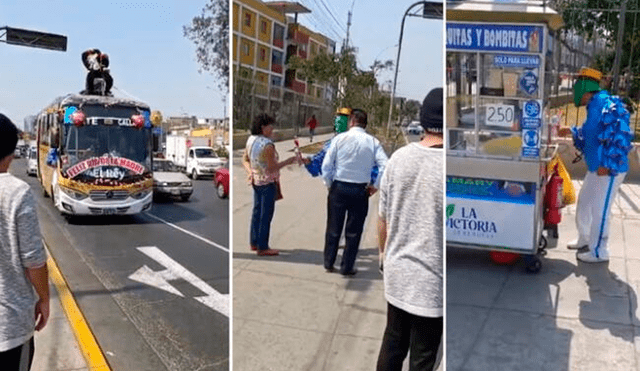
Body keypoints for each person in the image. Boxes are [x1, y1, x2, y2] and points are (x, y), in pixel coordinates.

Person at [376, 88, 443, 371]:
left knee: (393, 343)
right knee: (423, 356)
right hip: (432, 283)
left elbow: (382, 220)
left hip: (397, 273)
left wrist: (383, 255)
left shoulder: (399, 159)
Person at [568, 67, 633, 263]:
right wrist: (571, 132)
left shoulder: (607, 104)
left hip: (608, 170)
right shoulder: (594, 106)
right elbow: (593, 135)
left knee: (600, 209)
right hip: (596, 168)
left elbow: (619, 135)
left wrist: (607, 164)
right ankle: (585, 238)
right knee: (585, 204)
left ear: (585, 89)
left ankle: (599, 251)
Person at [0, 114, 50, 370]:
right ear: (11, 153)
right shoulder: (16, 192)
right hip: (8, 328)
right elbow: (33, 260)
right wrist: (44, 298)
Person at [321, 108, 388, 276]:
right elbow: (385, 165)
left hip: (339, 187)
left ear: (351, 122)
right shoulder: (373, 142)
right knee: (354, 231)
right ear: (365, 124)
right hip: (360, 190)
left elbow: (326, 166)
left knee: (333, 227)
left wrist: (329, 184)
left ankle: (329, 262)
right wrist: (376, 185)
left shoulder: (339, 139)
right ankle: (347, 266)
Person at [242, 114, 299, 256]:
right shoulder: (267, 146)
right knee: (265, 215)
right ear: (263, 127)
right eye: (270, 126)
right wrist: (289, 161)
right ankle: (263, 246)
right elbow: (272, 168)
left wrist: (250, 172)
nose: (272, 128)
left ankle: (254, 242)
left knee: (257, 212)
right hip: (267, 182)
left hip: (256, 181)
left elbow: (245, 159)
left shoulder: (251, 140)